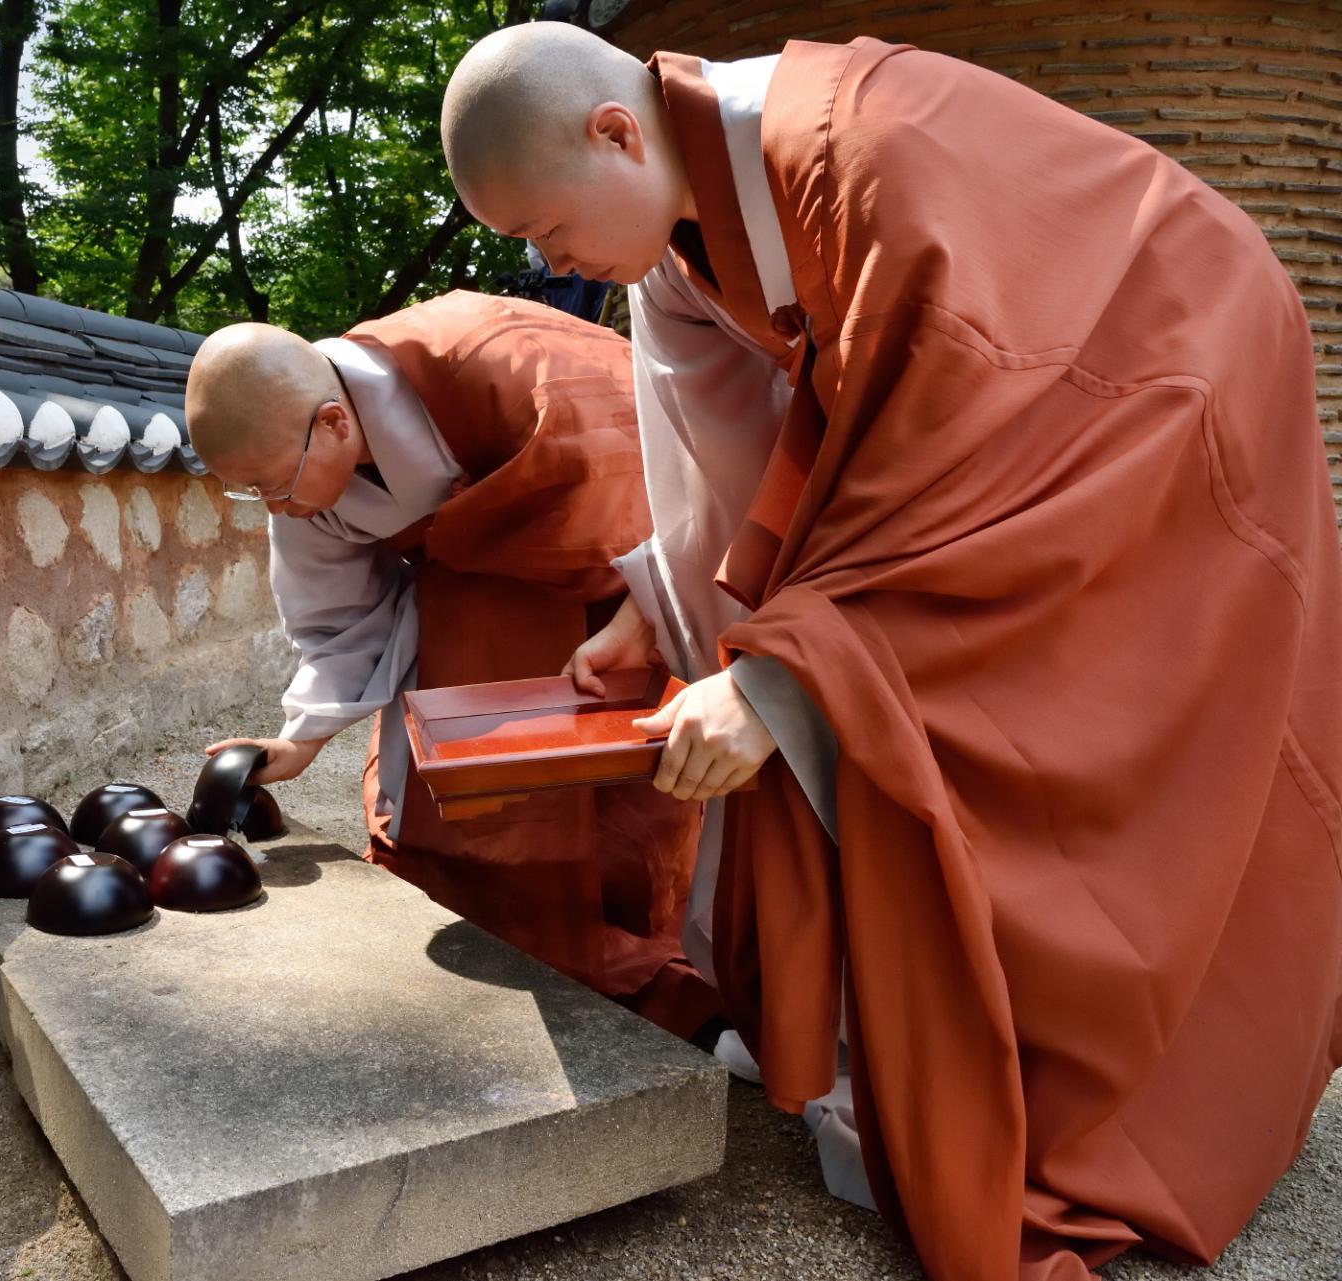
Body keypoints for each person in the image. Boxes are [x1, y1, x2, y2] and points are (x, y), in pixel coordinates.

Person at [440, 22, 1342, 1281]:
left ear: (616, 131)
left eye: (545, 232)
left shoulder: (869, 148)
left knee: (1075, 715)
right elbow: (740, 479)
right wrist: (673, 609)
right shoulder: (672, 257)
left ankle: (1111, 1068)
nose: (553, 265)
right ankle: (901, 1036)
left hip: (1166, 350)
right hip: (1001, 404)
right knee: (841, 691)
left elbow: (948, 451)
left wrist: (773, 672)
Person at [186, 290, 716, 1036]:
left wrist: (646, 615)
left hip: (612, 602)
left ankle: (658, 999)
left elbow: (670, 498)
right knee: (451, 806)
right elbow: (339, 619)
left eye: (275, 486)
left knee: (620, 827)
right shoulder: (306, 474)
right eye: (253, 494)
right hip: (464, 613)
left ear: (334, 422)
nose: (275, 509)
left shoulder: (502, 366)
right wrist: (298, 741)